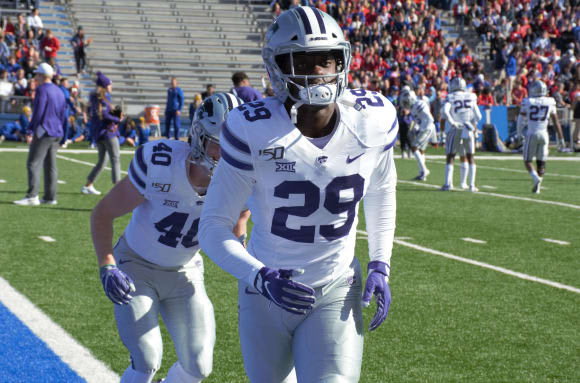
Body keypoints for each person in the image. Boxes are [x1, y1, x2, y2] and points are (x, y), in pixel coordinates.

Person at [199, 7, 397, 382]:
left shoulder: (372, 118)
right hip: (265, 293)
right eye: (302, 60)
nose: (318, 71)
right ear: (277, 66)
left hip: (336, 284)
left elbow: (382, 188)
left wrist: (380, 262)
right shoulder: (252, 129)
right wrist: (259, 276)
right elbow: (212, 227)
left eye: (327, 59)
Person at [91, 92, 249, 383]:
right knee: (147, 360)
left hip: (185, 271)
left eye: (237, 146)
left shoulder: (241, 180)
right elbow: (103, 213)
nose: (229, 155)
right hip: (136, 266)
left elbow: (240, 217)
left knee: (199, 366)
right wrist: (107, 265)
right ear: (200, 137)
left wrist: (243, 252)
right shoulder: (160, 162)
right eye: (220, 145)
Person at [14, 63, 65, 206]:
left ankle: (32, 196)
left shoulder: (42, 89)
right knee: (51, 165)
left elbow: (38, 112)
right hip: (57, 131)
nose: (35, 76)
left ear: (42, 75)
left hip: (45, 130)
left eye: (37, 74)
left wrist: (30, 129)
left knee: (33, 163)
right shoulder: (59, 90)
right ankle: (50, 197)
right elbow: (63, 113)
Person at [516, 80, 565, 194]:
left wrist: (519, 134)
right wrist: (561, 138)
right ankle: (538, 187)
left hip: (532, 133)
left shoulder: (528, 101)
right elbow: (556, 121)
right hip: (544, 134)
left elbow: (520, 120)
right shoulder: (550, 101)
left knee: (527, 160)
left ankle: (535, 178)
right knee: (541, 162)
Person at [81, 72, 123, 195]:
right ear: (105, 85)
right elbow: (104, 115)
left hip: (99, 132)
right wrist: (117, 119)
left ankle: (88, 185)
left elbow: (97, 113)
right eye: (109, 84)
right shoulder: (103, 97)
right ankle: (118, 189)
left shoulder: (95, 97)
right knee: (115, 159)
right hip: (107, 132)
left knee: (102, 161)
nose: (111, 86)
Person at [439, 77, 482, 192]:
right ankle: (471, 185)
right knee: (470, 157)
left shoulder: (450, 97)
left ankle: (448, 184)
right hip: (468, 128)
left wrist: (452, 122)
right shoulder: (471, 96)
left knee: (450, 156)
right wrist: (472, 123)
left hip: (456, 128)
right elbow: (478, 116)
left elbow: (445, 112)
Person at [399, 88, 435, 180]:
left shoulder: (420, 104)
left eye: (406, 101)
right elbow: (418, 120)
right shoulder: (413, 108)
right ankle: (422, 174)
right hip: (424, 128)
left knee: (414, 147)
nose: (406, 103)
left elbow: (429, 118)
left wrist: (423, 128)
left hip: (427, 128)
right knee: (420, 150)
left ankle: (424, 170)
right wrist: (416, 128)